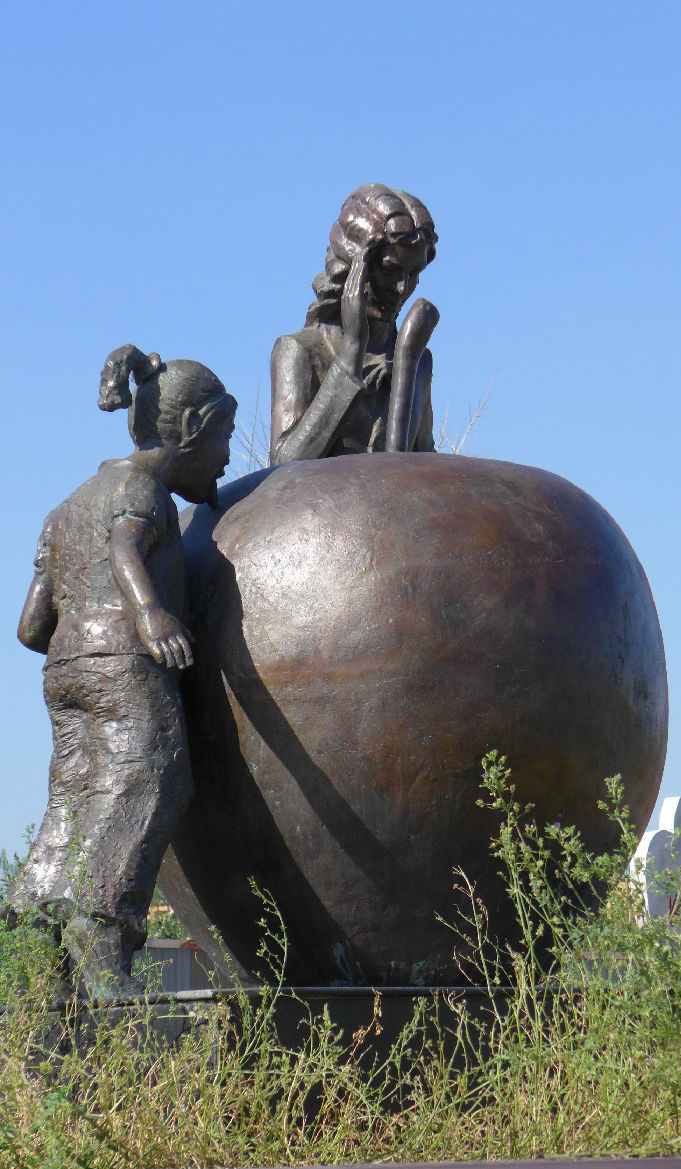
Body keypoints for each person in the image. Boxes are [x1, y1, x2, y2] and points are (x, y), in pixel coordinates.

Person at [8, 345, 236, 995]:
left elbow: (30, 627)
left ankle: (36, 933)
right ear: (190, 428)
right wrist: (149, 614)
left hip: (66, 670)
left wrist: (81, 638)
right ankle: (102, 934)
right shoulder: (141, 489)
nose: (226, 456)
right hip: (126, 663)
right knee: (150, 779)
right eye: (224, 434)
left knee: (74, 795)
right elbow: (124, 546)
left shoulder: (64, 508)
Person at [270, 184, 439, 463]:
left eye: (413, 273)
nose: (401, 288)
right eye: (389, 269)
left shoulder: (417, 360)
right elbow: (283, 467)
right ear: (351, 266)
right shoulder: (299, 351)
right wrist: (351, 353)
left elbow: (426, 461)